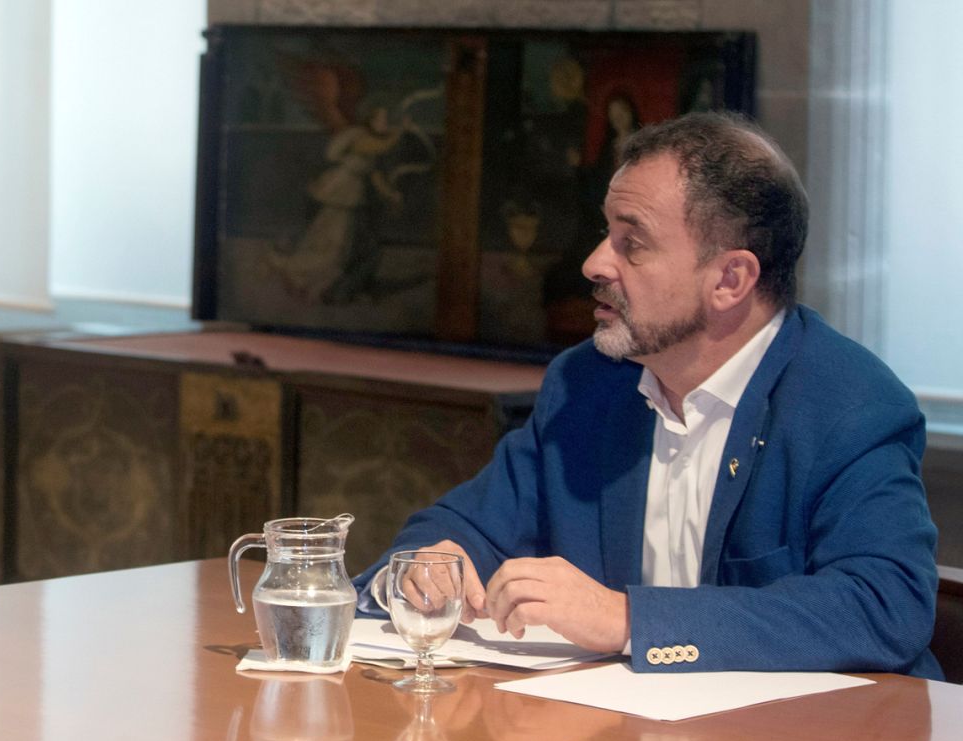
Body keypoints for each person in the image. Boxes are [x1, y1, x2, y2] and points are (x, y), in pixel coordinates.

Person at [356, 111, 940, 677]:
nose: (594, 263)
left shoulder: (851, 406)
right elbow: (465, 528)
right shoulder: (587, 383)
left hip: (816, 738)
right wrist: (429, 567)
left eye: (632, 244)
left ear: (730, 279)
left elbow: (883, 605)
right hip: (614, 731)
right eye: (605, 233)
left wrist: (629, 619)